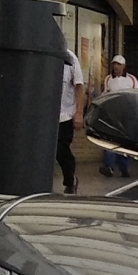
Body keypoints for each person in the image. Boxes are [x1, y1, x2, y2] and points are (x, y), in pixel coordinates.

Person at [99, 53, 138, 176]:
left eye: (118, 64)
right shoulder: (108, 79)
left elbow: (137, 95)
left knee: (124, 141)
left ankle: (124, 167)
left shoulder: (132, 80)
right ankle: (109, 166)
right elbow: (105, 94)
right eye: (114, 64)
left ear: (124, 66)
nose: (116, 67)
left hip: (127, 115)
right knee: (110, 140)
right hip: (112, 114)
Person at [57, 49, 88, 193]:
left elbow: (79, 87)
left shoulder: (70, 58)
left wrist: (79, 113)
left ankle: (70, 179)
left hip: (65, 114)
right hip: (46, 115)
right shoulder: (44, 54)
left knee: (60, 149)